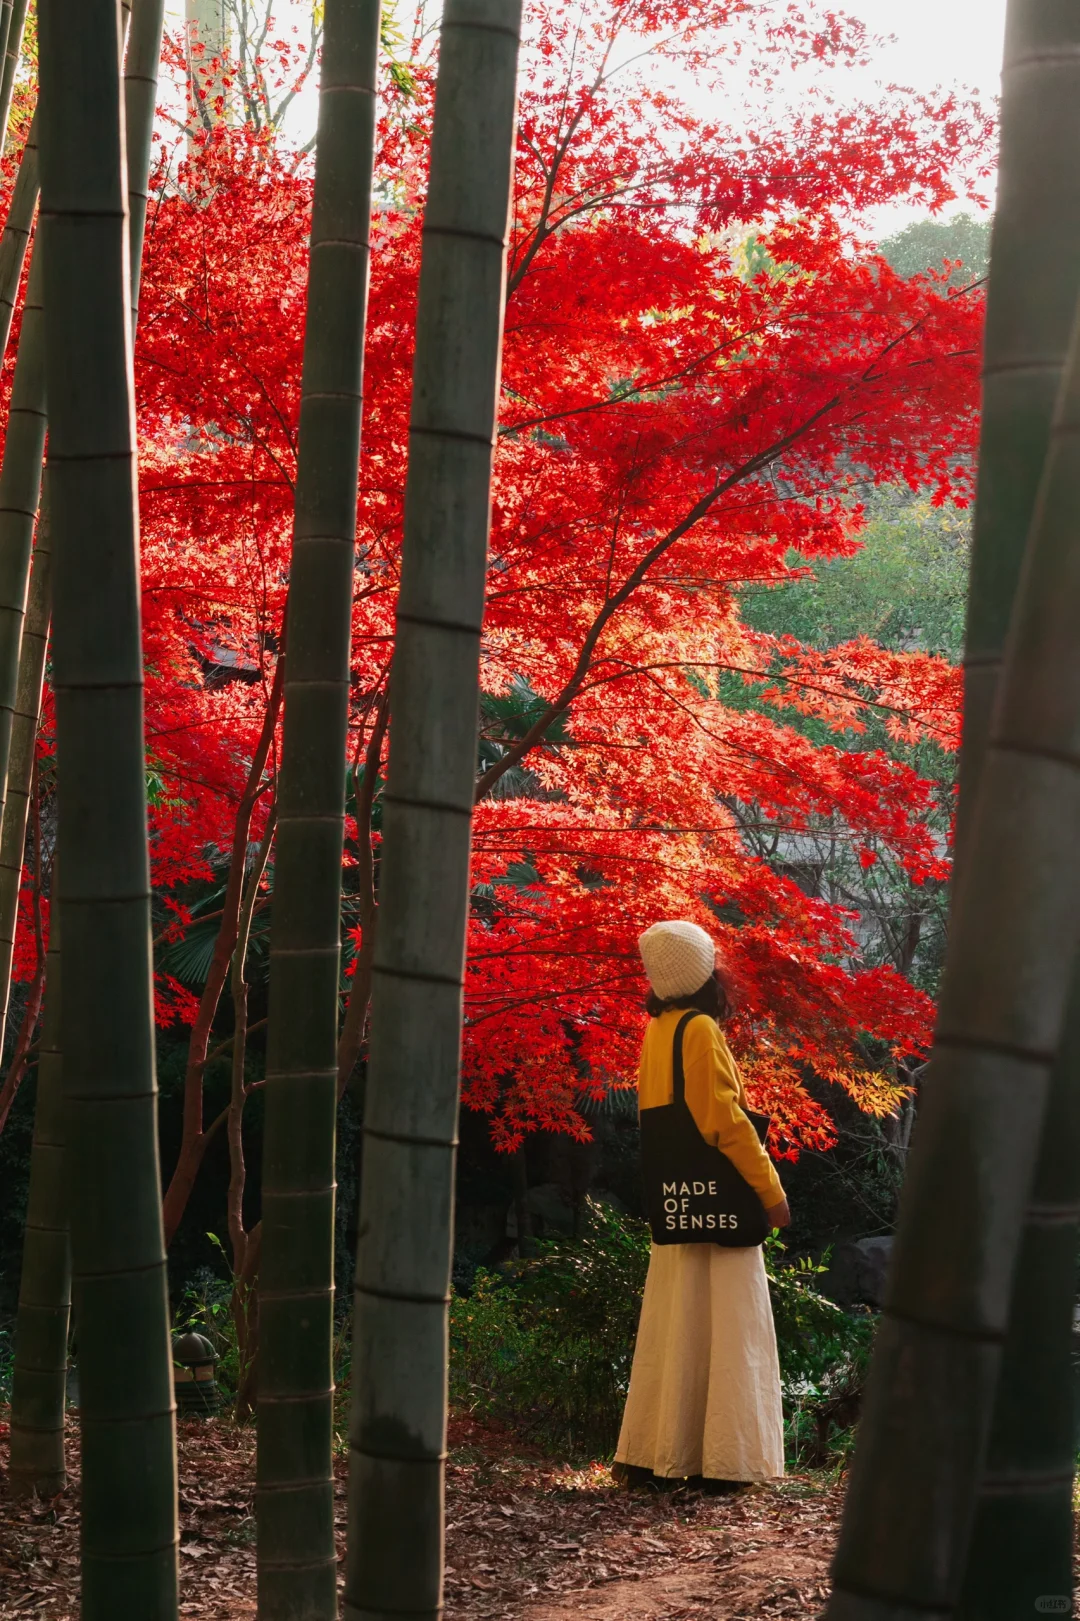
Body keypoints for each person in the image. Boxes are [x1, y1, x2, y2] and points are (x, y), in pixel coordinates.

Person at [613, 919, 790, 1489]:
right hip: (724, 1205)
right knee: (729, 1322)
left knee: (676, 1320)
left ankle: (657, 1451)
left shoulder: (657, 1031)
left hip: (677, 1203)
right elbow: (725, 1123)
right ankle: (726, 1462)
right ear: (702, 971)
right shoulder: (701, 1030)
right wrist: (771, 1192)